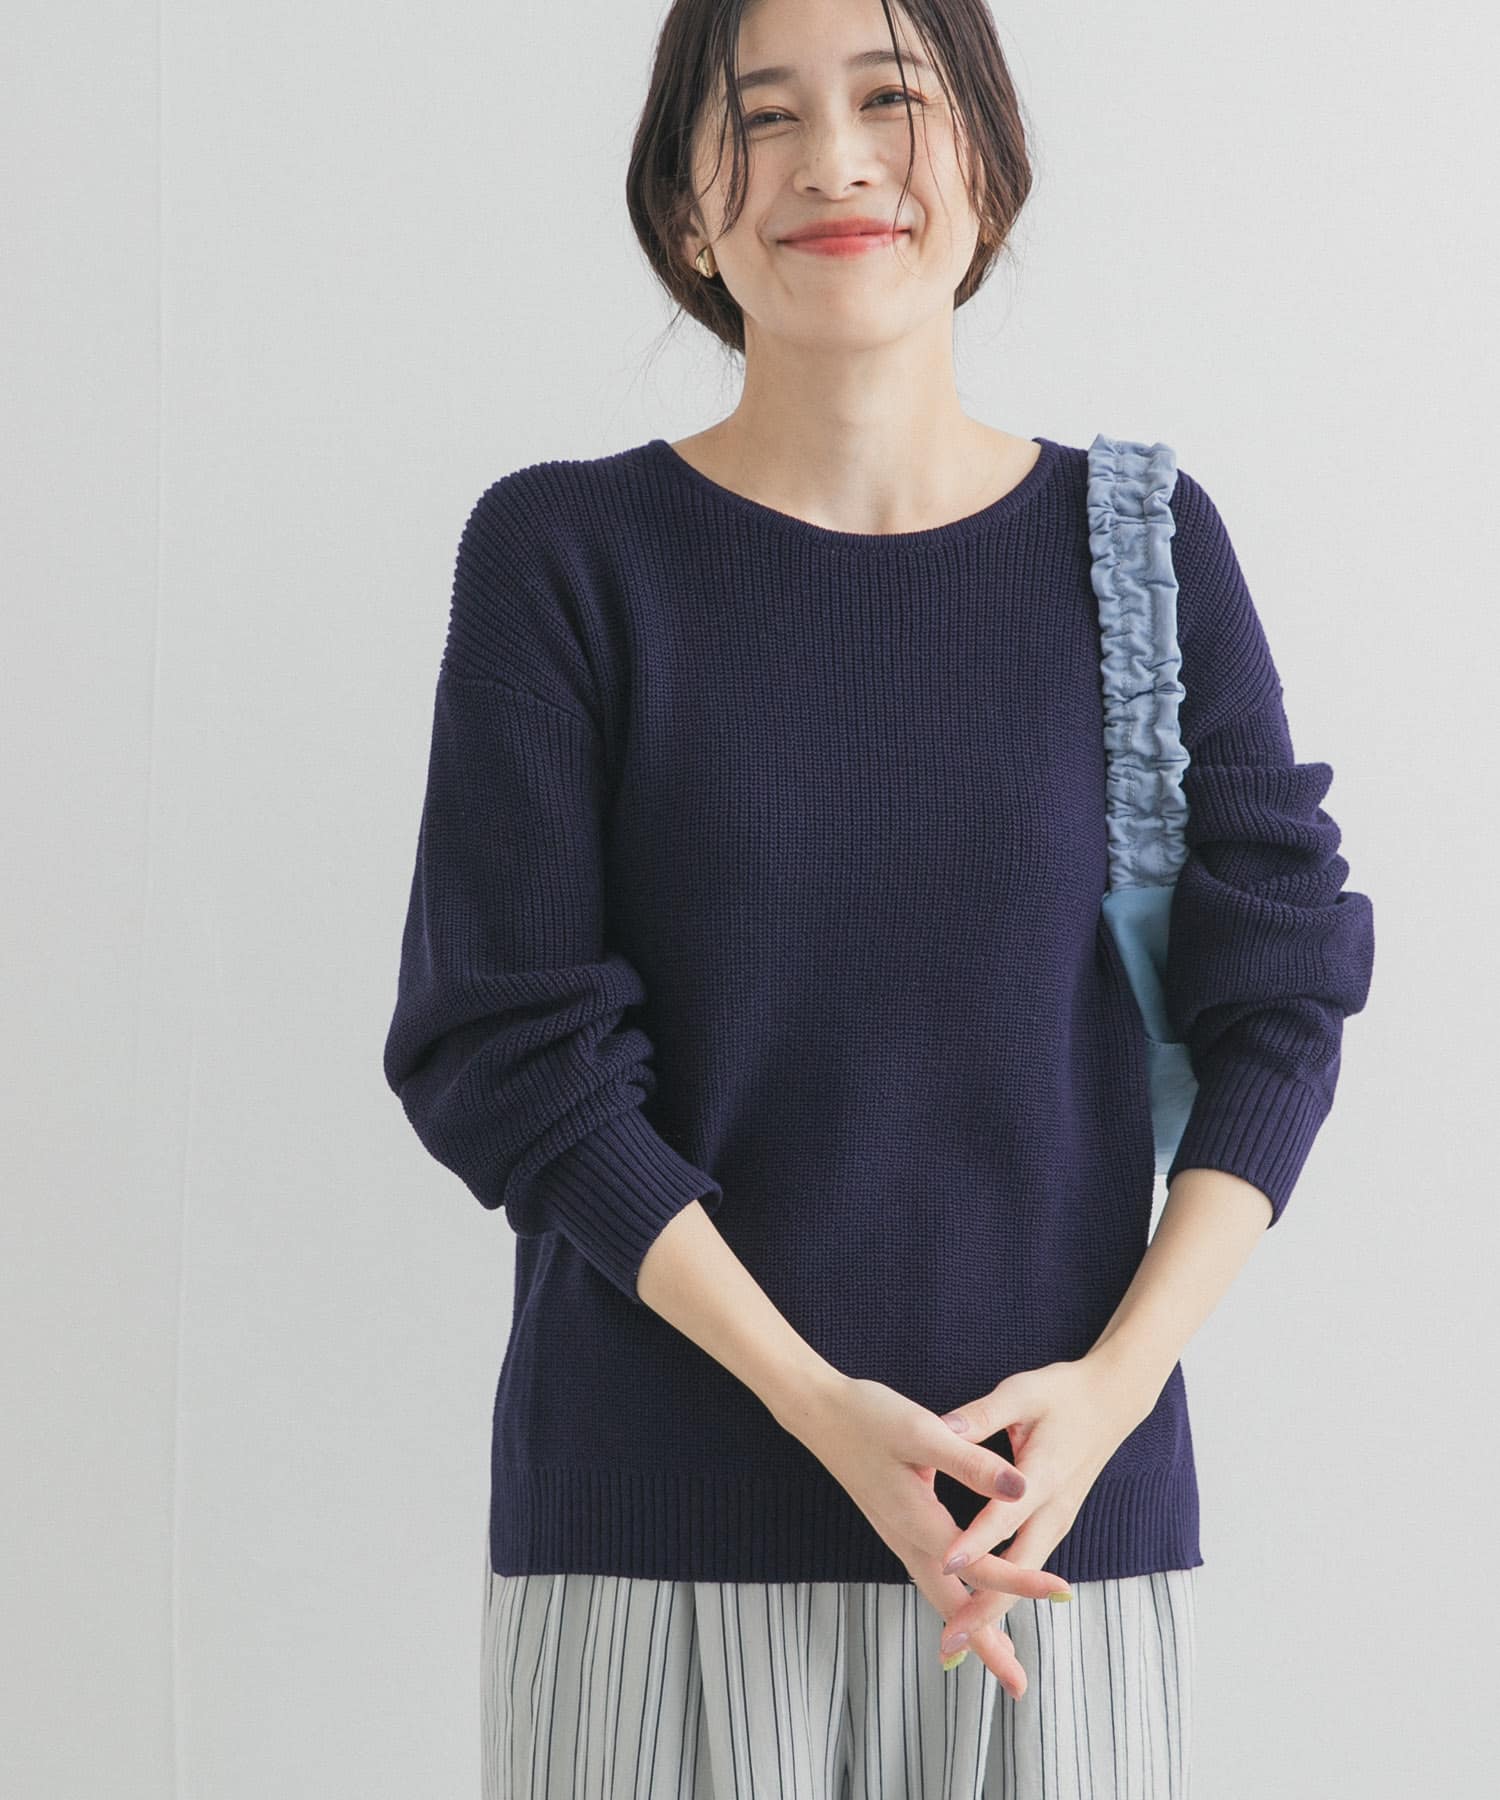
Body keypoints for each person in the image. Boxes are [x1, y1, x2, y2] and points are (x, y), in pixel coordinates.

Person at [380, 0, 1376, 1793]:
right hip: (659, 1545)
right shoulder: (564, 558)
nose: (833, 162)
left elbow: (1280, 1005)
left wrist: (1113, 1392)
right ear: (684, 206)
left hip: (1049, 1545)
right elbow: (512, 1054)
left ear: (987, 160)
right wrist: (818, 1407)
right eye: (760, 117)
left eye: (890, 99)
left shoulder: (1144, 551)